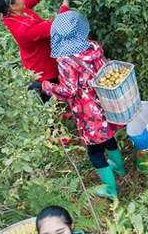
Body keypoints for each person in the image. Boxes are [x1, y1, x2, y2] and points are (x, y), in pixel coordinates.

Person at [31, 10, 127, 199]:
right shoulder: (92, 47)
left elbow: (69, 91)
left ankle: (111, 190)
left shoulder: (66, 61)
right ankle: (120, 168)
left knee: (94, 151)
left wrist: (44, 85)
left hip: (88, 112)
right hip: (104, 101)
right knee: (108, 137)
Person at [0, 0, 72, 103]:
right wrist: (66, 2)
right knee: (51, 103)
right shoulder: (25, 29)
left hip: (37, 59)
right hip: (43, 70)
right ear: (11, 6)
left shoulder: (11, 13)